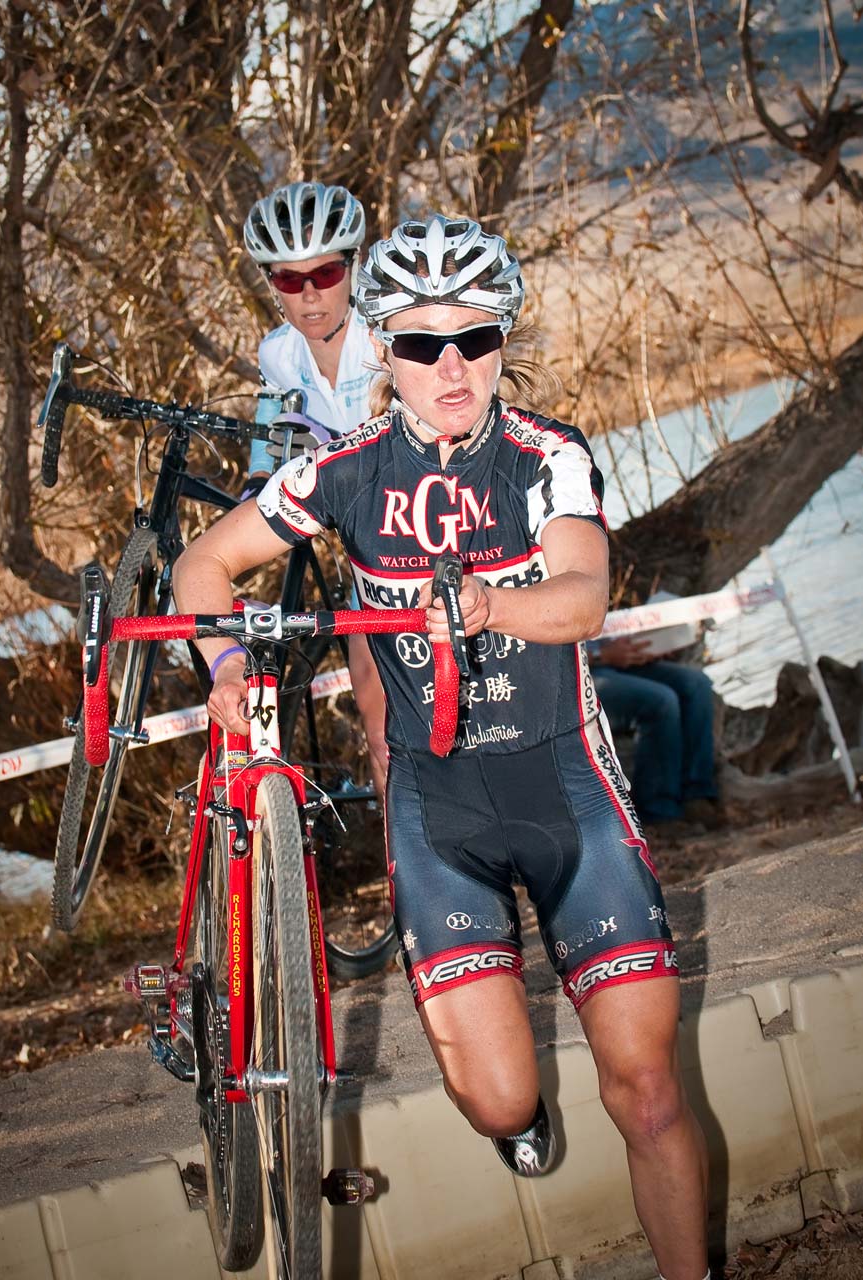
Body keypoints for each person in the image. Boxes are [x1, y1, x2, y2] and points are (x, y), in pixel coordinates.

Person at [174, 214, 710, 1280]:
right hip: (437, 812)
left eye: (475, 336)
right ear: (382, 350)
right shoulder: (343, 470)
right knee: (499, 1096)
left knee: (645, 1088)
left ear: (505, 338)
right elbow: (201, 566)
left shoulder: (547, 454)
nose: (450, 365)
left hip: (565, 786)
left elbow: (582, 593)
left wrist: (480, 602)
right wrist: (226, 672)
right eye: (420, 344)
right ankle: (513, 1116)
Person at [242, 180, 387, 797]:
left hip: (438, 539)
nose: (308, 295)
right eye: (287, 279)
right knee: (380, 731)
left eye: (325, 273)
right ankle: (412, 890)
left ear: (353, 268)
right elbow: (273, 446)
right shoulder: (276, 355)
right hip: (364, 562)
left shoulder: (385, 336)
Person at [588, 635, 722, 837]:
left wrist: (648, 645)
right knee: (661, 701)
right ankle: (659, 812)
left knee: (696, 684)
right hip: (579, 676)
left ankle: (697, 796)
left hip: (613, 660)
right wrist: (601, 655)